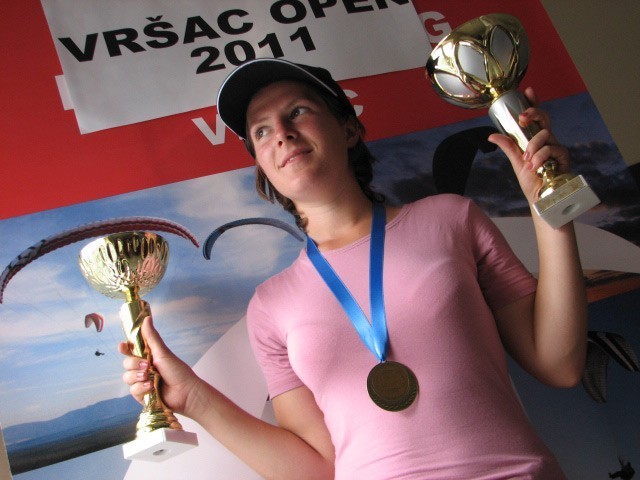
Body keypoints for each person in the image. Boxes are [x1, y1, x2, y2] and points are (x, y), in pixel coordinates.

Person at [120, 58, 588, 479]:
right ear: (263, 167)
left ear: (348, 130)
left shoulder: (451, 219)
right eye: (260, 131)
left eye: (297, 111)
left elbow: (559, 364)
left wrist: (548, 205)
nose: (281, 132)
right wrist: (194, 398)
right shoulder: (270, 305)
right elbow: (316, 470)